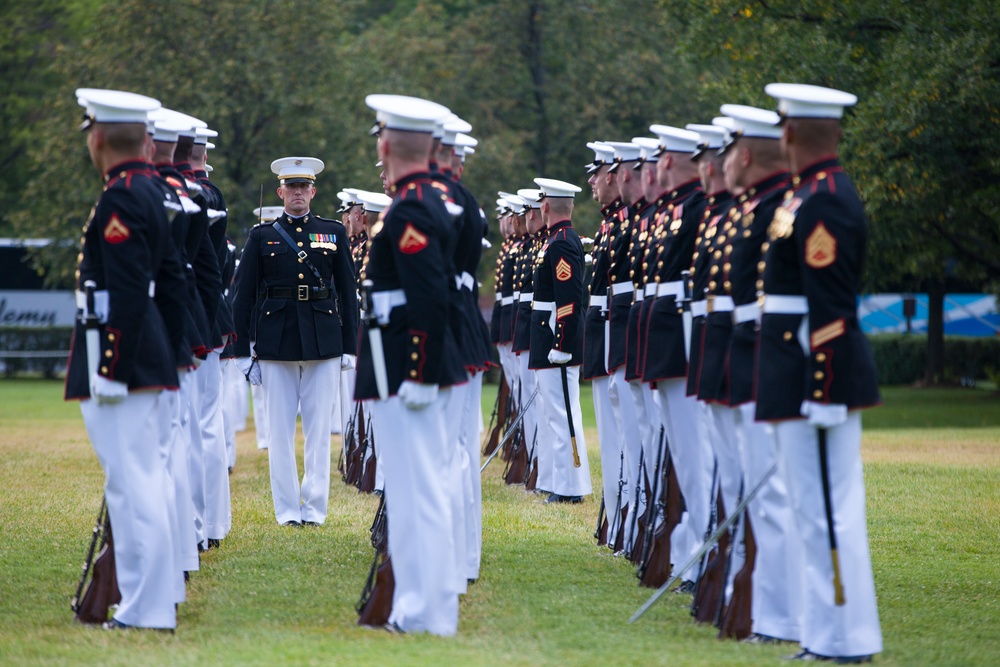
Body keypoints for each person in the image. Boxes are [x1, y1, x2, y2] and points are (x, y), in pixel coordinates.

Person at [755, 83, 882, 664]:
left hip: (815, 375)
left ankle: (843, 640)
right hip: (795, 367)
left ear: (789, 133)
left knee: (829, 511)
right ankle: (823, 633)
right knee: (813, 511)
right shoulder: (805, 194)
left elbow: (830, 308)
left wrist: (823, 391)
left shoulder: (825, 199)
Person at [67, 88, 188, 631]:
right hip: (148, 352)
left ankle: (146, 605)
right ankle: (151, 599)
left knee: (133, 482)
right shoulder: (152, 191)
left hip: (124, 357)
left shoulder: (123, 197)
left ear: (96, 137)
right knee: (144, 480)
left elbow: (128, 291)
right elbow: (176, 285)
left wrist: (111, 368)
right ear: (141, 137)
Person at [355, 94, 467, 635]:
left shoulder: (413, 207)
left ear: (385, 144)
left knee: (419, 490)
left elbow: (428, 299)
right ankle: (418, 607)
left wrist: (419, 373)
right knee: (415, 489)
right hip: (398, 360)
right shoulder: (420, 201)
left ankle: (426, 611)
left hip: (407, 365)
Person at [231, 157, 358, 527]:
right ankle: (287, 511)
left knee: (319, 434)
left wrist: (349, 346)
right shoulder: (261, 235)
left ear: (313, 191)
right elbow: (244, 296)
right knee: (279, 434)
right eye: (292, 187)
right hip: (276, 342)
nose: (298, 193)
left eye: (304, 187)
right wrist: (242, 352)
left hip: (323, 341)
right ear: (280, 192)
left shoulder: (333, 232)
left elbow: (348, 293)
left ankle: (315, 509)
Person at [715, 103, 801, 644]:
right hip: (746, 349)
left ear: (745, 154)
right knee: (758, 489)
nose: (722, 162)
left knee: (773, 491)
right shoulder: (756, 208)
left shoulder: (779, 208)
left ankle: (782, 614)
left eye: (729, 150)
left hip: (768, 353)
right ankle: (770, 610)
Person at [527, 177, 592, 504]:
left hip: (555, 334)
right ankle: (555, 479)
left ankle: (572, 485)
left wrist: (563, 344)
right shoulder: (555, 240)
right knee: (551, 412)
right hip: (545, 332)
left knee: (563, 412)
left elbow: (570, 299)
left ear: (547, 205)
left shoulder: (563, 242)